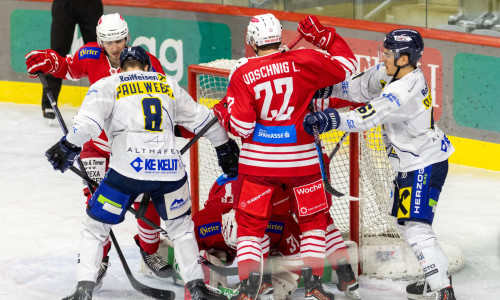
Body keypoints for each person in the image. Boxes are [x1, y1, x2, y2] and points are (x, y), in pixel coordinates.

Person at [44, 46, 237, 300]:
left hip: (126, 174)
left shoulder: (108, 83)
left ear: (121, 68)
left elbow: (88, 125)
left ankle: (84, 289)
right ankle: (198, 288)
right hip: (170, 173)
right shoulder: (167, 83)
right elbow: (204, 120)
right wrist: (224, 147)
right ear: (147, 67)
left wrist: (66, 146)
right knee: (181, 229)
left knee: (95, 228)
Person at [211, 13, 357, 300]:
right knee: (315, 220)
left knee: (251, 226)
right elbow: (348, 68)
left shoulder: (242, 74)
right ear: (279, 35)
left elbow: (242, 126)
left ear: (252, 41)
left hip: (260, 166)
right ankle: (318, 283)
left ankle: (252, 287)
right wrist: (325, 37)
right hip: (303, 161)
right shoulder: (304, 59)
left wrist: (224, 112)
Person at [303, 29, 456, 300]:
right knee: (404, 222)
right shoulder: (392, 72)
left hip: (424, 163)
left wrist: (332, 120)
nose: (383, 57)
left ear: (404, 58)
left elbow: (369, 116)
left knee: (415, 226)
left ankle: (442, 291)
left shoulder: (405, 89)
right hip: (411, 162)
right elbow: (359, 87)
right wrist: (328, 89)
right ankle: (437, 279)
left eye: (388, 53)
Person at [25, 13, 172, 287]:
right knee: (98, 203)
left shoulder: (148, 62)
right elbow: (68, 68)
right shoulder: (90, 54)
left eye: (119, 40)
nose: (115, 47)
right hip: (97, 145)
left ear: (127, 37)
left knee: (147, 200)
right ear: (100, 42)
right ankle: (101, 258)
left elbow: (162, 100)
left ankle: (149, 249)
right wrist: (50, 61)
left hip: (132, 146)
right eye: (109, 42)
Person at [193, 174, 361, 300]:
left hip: (213, 224)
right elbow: (299, 254)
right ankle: (269, 283)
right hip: (268, 223)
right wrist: (287, 277)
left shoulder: (200, 220)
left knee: (198, 251)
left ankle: (210, 269)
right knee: (319, 222)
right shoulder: (282, 221)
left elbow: (183, 245)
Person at [36, 0, 103, 120]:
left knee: (98, 52)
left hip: (91, 4)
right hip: (64, 4)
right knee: (57, 53)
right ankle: (49, 103)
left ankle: (103, 101)